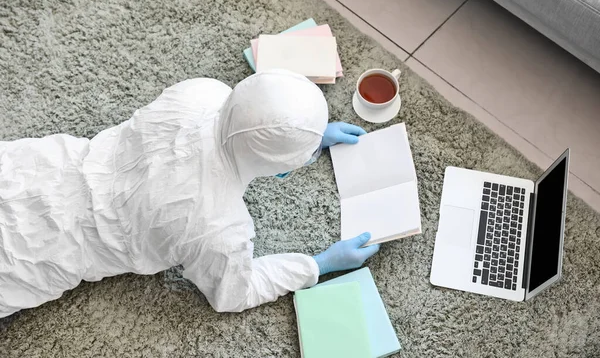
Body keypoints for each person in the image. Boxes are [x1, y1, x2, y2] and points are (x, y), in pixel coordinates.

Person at [0, 69, 380, 317]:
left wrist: (307, 134)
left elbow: (249, 113)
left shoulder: (201, 91)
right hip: (40, 252)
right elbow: (233, 293)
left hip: (40, 165)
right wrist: (318, 264)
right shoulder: (218, 227)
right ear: (282, 168)